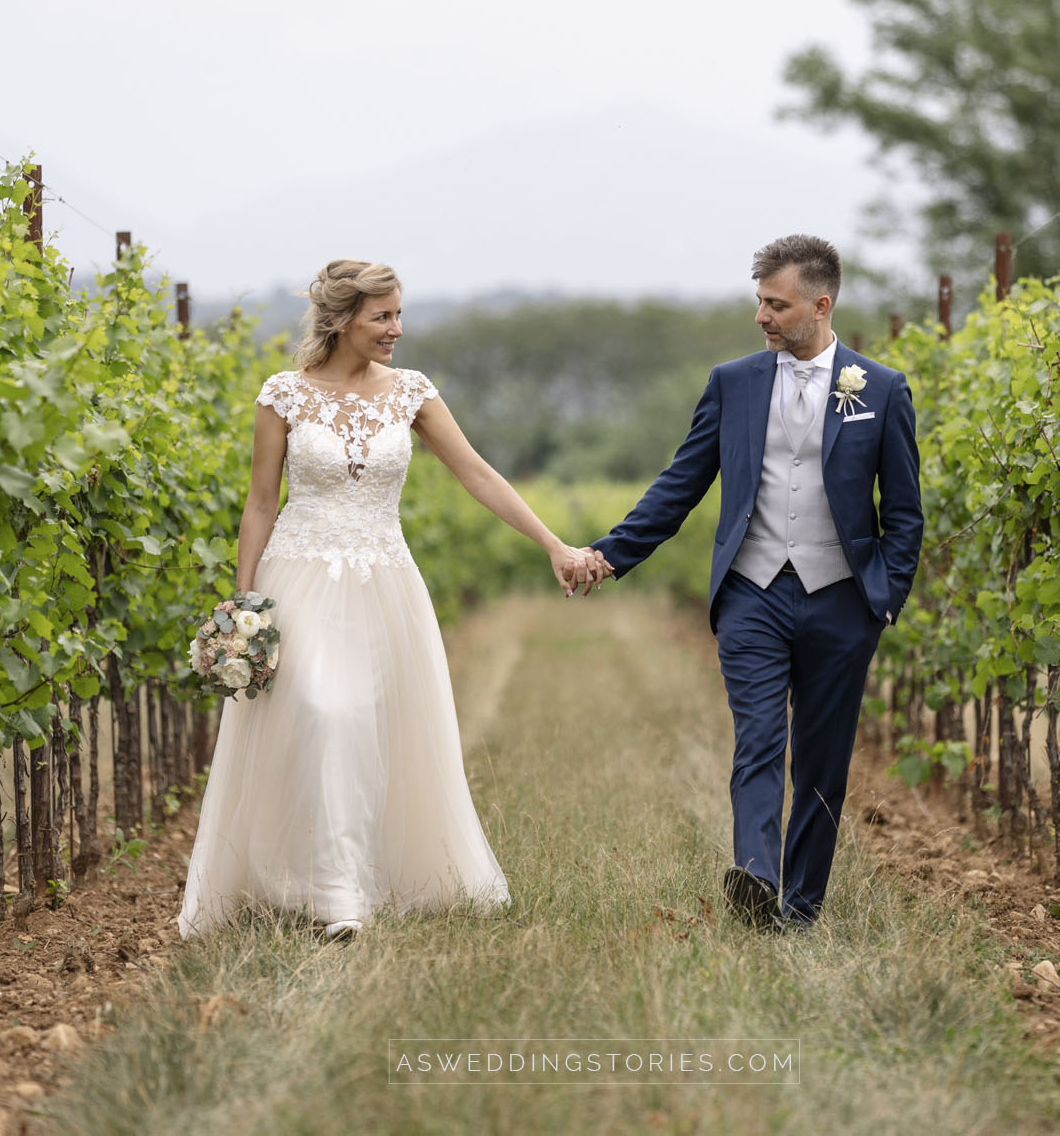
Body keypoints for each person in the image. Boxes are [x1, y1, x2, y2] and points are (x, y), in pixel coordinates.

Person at [177, 258, 600, 944]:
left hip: (385, 580)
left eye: (399, 314)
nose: (397, 329)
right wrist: (244, 601)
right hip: (298, 574)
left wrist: (553, 543)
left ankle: (348, 880)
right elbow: (260, 502)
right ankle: (336, 895)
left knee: (366, 723)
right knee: (324, 708)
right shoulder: (283, 394)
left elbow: (478, 473)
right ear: (341, 319)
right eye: (383, 316)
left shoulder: (412, 392)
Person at [582, 235, 923, 930]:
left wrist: (882, 603)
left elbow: (906, 514)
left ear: (821, 305)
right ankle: (756, 877)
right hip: (752, 591)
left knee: (823, 761)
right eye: (759, 301)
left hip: (842, 600)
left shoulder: (880, 389)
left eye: (777, 303)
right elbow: (681, 483)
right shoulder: (732, 382)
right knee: (760, 735)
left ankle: (800, 907)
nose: (762, 316)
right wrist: (611, 554)